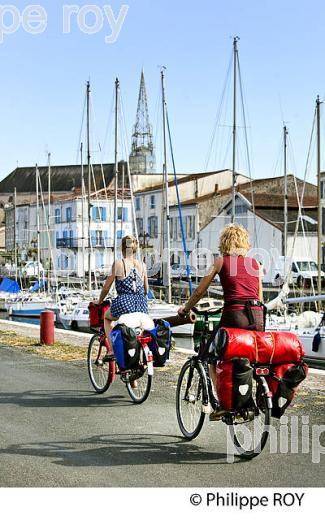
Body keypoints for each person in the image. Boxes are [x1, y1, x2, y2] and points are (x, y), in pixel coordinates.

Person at [178, 223, 264, 420]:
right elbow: (259, 297)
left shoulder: (220, 262)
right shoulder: (256, 265)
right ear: (244, 242)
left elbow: (200, 291)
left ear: (224, 242)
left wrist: (186, 308)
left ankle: (224, 404)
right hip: (257, 318)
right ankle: (250, 398)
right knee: (247, 356)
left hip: (234, 316)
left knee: (211, 356)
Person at [96, 235, 149, 348]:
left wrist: (100, 301)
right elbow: (146, 289)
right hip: (142, 305)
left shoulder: (119, 263)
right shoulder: (142, 265)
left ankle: (111, 349)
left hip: (124, 303)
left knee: (107, 317)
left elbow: (106, 288)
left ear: (122, 248)